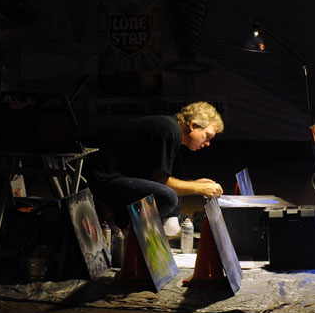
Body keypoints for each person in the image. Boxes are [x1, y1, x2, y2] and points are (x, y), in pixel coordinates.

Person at [89, 101, 224, 236]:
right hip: (105, 184)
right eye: (207, 136)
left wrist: (195, 184)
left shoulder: (172, 131)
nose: (207, 143)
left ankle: (169, 222)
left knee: (176, 177)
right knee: (167, 196)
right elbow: (161, 181)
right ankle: (120, 223)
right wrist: (199, 189)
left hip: (125, 179)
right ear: (193, 125)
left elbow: (164, 177)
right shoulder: (169, 131)